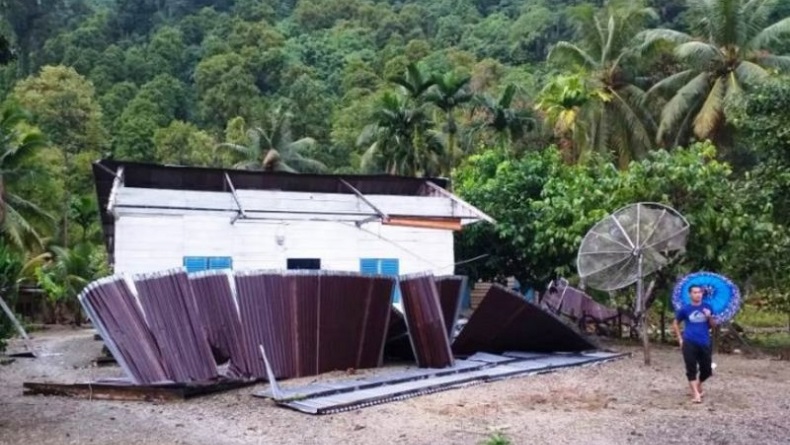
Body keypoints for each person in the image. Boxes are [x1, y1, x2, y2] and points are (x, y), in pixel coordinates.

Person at [672, 285, 716, 403]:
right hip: (689, 341)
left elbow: (713, 325)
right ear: (690, 294)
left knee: (707, 370)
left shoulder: (708, 307)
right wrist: (680, 339)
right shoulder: (685, 309)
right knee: (691, 368)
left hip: (704, 341)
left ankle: (698, 384)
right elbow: (675, 323)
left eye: (700, 292)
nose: (698, 294)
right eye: (695, 292)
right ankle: (696, 394)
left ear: (702, 294)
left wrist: (709, 316)